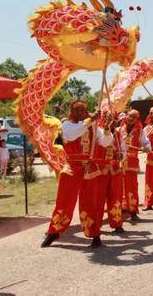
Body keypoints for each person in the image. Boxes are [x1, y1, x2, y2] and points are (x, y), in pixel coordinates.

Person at [41, 101, 113, 248]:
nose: (80, 112)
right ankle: (54, 231)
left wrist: (106, 130)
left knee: (90, 202)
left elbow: (105, 143)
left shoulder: (93, 126)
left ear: (86, 111)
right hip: (72, 167)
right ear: (72, 112)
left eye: (83, 109)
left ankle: (94, 234)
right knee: (64, 201)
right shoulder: (67, 125)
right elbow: (72, 134)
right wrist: (91, 120)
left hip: (89, 168)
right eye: (76, 110)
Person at [79, 115, 125, 247]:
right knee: (97, 202)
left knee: (115, 198)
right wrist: (105, 130)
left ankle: (117, 224)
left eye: (112, 120)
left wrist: (122, 155)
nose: (110, 122)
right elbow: (102, 143)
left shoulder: (117, 134)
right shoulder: (97, 131)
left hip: (114, 170)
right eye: (107, 119)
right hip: (99, 172)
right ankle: (96, 230)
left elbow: (123, 149)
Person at [120, 110, 150, 220]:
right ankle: (122, 209)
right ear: (126, 116)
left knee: (132, 187)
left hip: (132, 163)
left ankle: (133, 211)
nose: (131, 118)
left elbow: (146, 143)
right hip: (119, 163)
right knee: (120, 187)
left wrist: (146, 147)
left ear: (137, 119)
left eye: (134, 117)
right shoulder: (119, 130)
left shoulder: (140, 131)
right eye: (130, 116)